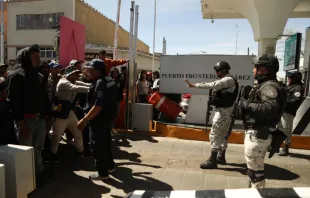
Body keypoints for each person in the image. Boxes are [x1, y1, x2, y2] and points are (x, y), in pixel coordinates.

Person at [236, 54, 287, 188]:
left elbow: (270, 109)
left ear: (264, 70)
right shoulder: (265, 85)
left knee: (255, 173)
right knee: (253, 171)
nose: (253, 70)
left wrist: (245, 104)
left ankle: (257, 193)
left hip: (258, 135)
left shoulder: (269, 87)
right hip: (257, 133)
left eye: (256, 67)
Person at [185, 61, 238, 169]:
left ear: (223, 70)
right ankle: (221, 156)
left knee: (214, 134)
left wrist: (195, 85)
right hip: (226, 110)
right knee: (223, 134)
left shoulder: (228, 80)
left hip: (224, 112)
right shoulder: (228, 79)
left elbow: (213, 85)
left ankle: (212, 160)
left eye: (218, 70)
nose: (216, 72)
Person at [5, 45, 48, 175]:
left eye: (38, 54)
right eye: (33, 54)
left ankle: (38, 176)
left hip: (40, 121)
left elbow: (44, 98)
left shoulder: (39, 76)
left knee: (38, 150)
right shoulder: (16, 76)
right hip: (25, 122)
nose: (37, 56)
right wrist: (21, 123)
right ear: (25, 58)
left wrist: (47, 118)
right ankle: (26, 182)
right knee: (25, 153)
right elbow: (13, 102)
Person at [77, 59, 118, 180]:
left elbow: (98, 105)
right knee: (106, 144)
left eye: (90, 70)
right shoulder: (109, 80)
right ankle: (110, 166)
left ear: (97, 71)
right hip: (107, 119)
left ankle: (102, 173)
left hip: (99, 120)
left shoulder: (100, 82)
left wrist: (84, 120)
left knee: (98, 146)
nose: (88, 72)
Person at [49, 65, 91, 162]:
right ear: (70, 74)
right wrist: (93, 90)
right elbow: (75, 88)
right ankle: (53, 154)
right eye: (76, 74)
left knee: (78, 130)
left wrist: (95, 86)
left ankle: (80, 151)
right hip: (60, 113)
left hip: (69, 111)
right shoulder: (63, 82)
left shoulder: (74, 81)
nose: (78, 76)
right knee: (57, 135)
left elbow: (84, 85)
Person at [278, 71, 304, 156]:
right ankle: (276, 146)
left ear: (295, 79)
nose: (288, 79)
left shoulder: (297, 88)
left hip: (289, 112)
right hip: (283, 110)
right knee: (280, 128)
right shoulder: (290, 86)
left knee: (286, 129)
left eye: (290, 78)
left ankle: (286, 147)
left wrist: (284, 101)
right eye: (288, 78)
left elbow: (295, 100)